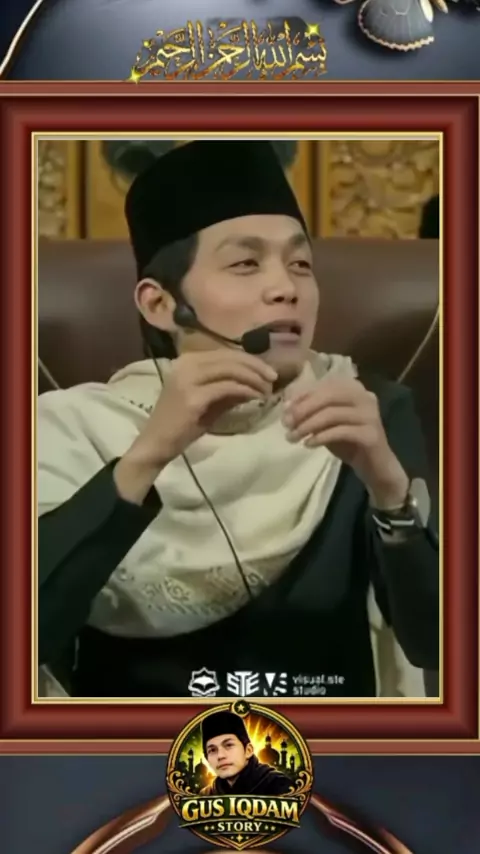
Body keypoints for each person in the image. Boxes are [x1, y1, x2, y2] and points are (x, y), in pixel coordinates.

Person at [38, 140, 439, 699]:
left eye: (300, 264)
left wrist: (390, 492)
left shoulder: (360, 408)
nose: (286, 289)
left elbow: (437, 645)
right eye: (246, 263)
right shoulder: (71, 428)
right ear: (160, 305)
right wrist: (147, 456)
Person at [199, 711, 293, 796]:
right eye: (212, 750)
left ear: (248, 750)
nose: (220, 756)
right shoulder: (207, 794)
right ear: (207, 759)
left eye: (229, 745)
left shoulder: (278, 785)